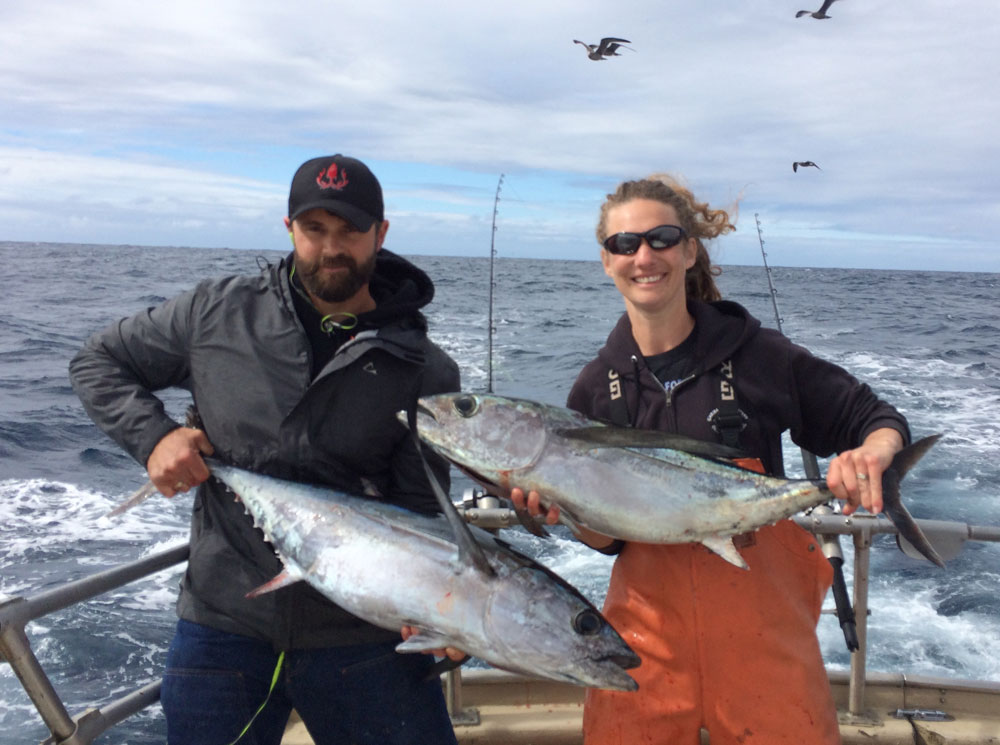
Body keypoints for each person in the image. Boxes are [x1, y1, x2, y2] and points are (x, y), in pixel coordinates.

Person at [69, 154, 462, 745]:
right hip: (225, 625)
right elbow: (98, 360)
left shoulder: (424, 367)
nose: (332, 248)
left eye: (351, 232)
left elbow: (417, 507)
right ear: (288, 229)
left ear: (381, 234)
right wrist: (154, 437)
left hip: (364, 640)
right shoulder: (215, 313)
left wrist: (441, 606)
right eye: (315, 230)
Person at [514, 174, 911, 745]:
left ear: (690, 249)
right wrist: (568, 509)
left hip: (767, 651)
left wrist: (872, 454)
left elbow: (875, 417)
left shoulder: (760, 357)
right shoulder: (595, 392)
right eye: (625, 244)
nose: (643, 256)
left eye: (662, 238)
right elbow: (609, 540)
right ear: (606, 261)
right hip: (644, 653)